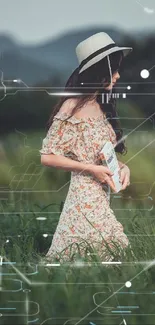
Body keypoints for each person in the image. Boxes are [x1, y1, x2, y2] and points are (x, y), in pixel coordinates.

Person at [39, 32, 132, 264]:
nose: (118, 76)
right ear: (98, 72)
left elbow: (103, 155)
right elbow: (47, 157)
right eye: (113, 71)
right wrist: (90, 169)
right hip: (82, 196)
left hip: (101, 195)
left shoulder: (103, 106)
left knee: (99, 260)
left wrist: (122, 167)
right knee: (105, 254)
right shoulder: (72, 106)